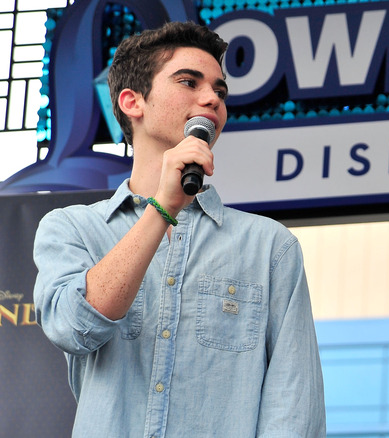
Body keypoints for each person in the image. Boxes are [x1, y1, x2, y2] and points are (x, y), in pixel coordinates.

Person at [33, 21, 325, 437]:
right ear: (132, 102)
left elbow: (295, 407)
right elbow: (74, 327)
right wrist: (163, 207)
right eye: (189, 82)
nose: (211, 98)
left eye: (220, 91)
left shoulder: (270, 246)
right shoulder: (72, 228)